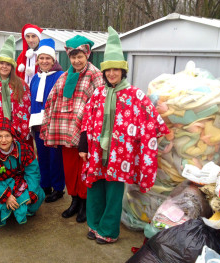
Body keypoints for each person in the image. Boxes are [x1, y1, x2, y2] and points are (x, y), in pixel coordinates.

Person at [78, 27, 170, 244]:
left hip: (120, 156)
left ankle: (108, 231)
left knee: (113, 193)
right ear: (104, 71)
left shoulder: (134, 95)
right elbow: (86, 119)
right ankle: (94, 225)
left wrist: (166, 133)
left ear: (123, 71)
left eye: (116, 70)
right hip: (97, 151)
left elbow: (151, 118)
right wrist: (83, 144)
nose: (112, 74)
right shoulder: (98, 93)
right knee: (94, 188)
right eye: (108, 70)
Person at [40, 35, 104, 223]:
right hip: (66, 131)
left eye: (80, 57)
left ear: (87, 55)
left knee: (84, 168)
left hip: (86, 133)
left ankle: (84, 204)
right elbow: (53, 100)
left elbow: (100, 103)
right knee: (69, 168)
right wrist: (48, 126)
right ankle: (74, 200)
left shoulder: (95, 75)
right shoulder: (65, 76)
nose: (76, 61)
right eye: (73, 57)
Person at [0, 118, 45, 227]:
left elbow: (33, 173)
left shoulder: (25, 149)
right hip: (0, 186)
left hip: (20, 183)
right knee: (1, 207)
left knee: (38, 196)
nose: (3, 140)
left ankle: (22, 209)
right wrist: (6, 196)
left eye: (7, 136)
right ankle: (10, 209)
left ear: (13, 136)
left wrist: (31, 193)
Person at [29, 39, 65, 203]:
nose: (44, 61)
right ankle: (45, 185)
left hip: (53, 124)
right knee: (42, 156)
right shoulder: (35, 78)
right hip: (38, 124)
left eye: (47, 58)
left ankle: (58, 188)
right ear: (37, 60)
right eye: (41, 58)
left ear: (53, 60)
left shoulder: (60, 76)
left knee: (55, 157)